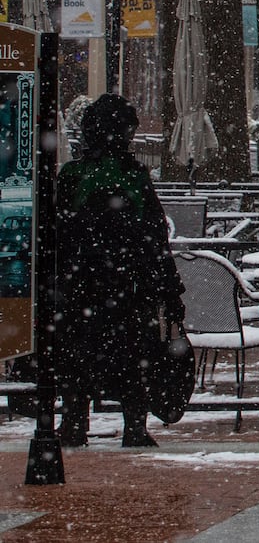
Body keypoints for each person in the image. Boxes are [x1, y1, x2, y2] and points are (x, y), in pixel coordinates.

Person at [54, 94, 185, 447]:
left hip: (80, 287)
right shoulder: (135, 176)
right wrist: (170, 290)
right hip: (130, 287)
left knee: (76, 355)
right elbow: (157, 239)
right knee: (133, 356)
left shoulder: (73, 176)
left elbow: (57, 237)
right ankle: (135, 426)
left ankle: (74, 422)